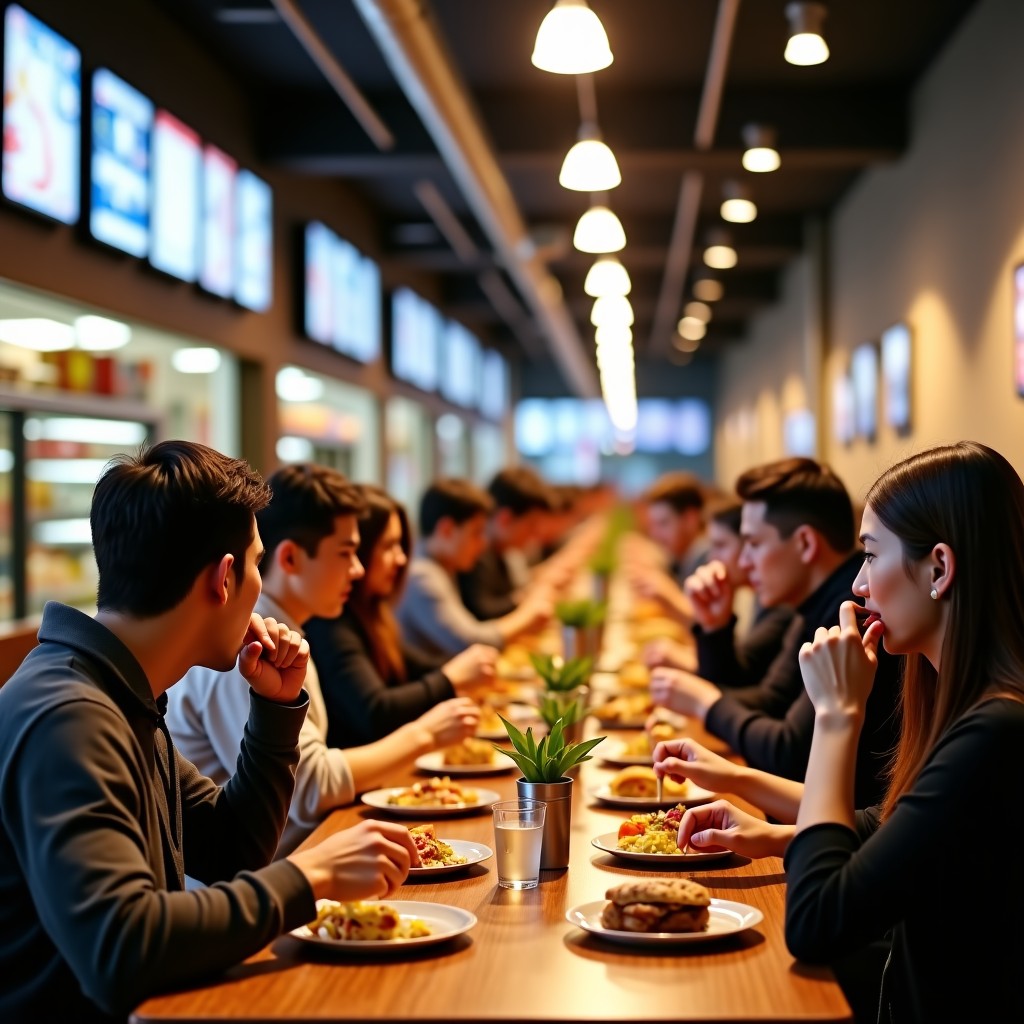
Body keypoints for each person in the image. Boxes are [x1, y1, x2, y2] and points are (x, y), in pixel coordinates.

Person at [0, 442, 418, 1022]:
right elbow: (121, 948)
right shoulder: (69, 715)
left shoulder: (121, 692)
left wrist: (274, 710)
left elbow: (232, 848)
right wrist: (312, 874)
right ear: (225, 578)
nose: (259, 587)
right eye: (255, 565)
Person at [655, 442, 1024, 1023]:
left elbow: (817, 922)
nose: (857, 585)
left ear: (940, 569)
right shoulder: (972, 703)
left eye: (871, 556)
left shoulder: (999, 730)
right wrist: (773, 830)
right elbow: (898, 820)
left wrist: (836, 715)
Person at [167, 465, 480, 854]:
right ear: (290, 559)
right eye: (347, 553)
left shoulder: (284, 629)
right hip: (260, 880)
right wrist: (426, 734)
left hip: (292, 858)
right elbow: (308, 788)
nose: (359, 569)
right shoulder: (247, 645)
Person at [649, 457, 901, 807]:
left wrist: (706, 703)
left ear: (805, 544)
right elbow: (771, 700)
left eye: (753, 543)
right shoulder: (810, 603)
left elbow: (790, 755)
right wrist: (714, 628)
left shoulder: (851, 613)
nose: (743, 560)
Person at [305, 485, 498, 748]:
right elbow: (374, 712)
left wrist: (465, 670)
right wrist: (451, 678)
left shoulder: (372, 611)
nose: (401, 559)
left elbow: (413, 666)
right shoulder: (331, 621)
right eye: (389, 546)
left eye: (401, 545)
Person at [395, 477, 552, 660]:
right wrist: (528, 615)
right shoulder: (422, 576)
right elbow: (469, 642)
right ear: (446, 530)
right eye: (476, 533)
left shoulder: (441, 566)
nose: (483, 543)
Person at [644, 498, 793, 685]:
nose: (711, 557)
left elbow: (747, 677)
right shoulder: (749, 594)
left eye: (720, 545)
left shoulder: (780, 604)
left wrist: (689, 660)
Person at [457, 466, 556, 621]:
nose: (536, 534)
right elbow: (481, 610)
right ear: (505, 519)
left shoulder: (502, 551)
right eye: (531, 524)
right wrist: (525, 598)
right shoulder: (476, 551)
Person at [627, 471, 709, 622]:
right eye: (653, 525)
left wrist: (667, 593)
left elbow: (710, 629)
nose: (655, 534)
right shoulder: (687, 556)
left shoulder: (708, 559)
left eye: (663, 523)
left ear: (690, 520)